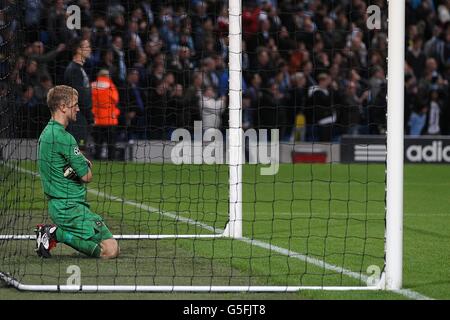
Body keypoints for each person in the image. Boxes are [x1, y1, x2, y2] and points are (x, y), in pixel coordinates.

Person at [36, 85, 119, 259]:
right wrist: (82, 163)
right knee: (110, 250)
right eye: (75, 104)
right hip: (70, 208)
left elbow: (64, 168)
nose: (78, 108)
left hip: (61, 206)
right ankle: (54, 234)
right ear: (63, 107)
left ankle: (53, 232)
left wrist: (73, 166)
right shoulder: (64, 138)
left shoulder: (46, 133)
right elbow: (87, 176)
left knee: (107, 247)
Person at [63, 38, 94, 152]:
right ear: (78, 50)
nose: (89, 49)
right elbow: (79, 96)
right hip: (77, 117)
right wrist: (89, 115)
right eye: (86, 46)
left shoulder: (79, 69)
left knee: (79, 151)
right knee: (77, 152)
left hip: (80, 116)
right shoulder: (74, 70)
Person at [91, 69, 120, 160]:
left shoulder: (92, 85)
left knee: (98, 143)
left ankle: (97, 159)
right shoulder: (111, 86)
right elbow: (116, 99)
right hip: (109, 119)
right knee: (111, 144)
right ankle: (111, 160)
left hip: (97, 119)